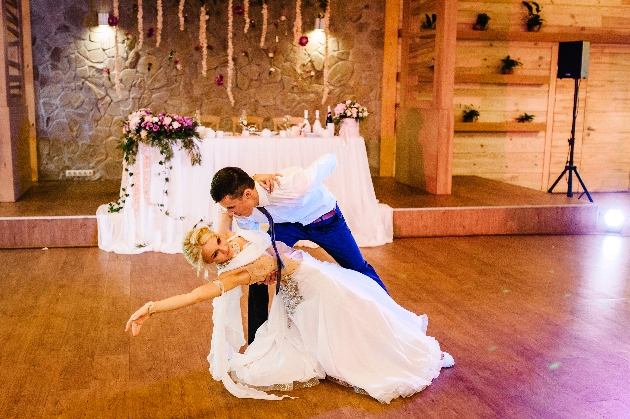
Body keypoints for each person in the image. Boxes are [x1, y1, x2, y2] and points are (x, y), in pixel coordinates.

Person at [126, 226, 454, 403]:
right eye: (215, 254)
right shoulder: (233, 274)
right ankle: (400, 357)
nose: (223, 250)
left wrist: (279, 255)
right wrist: (151, 308)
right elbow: (194, 295)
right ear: (211, 262)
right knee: (347, 329)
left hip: (313, 275)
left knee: (366, 312)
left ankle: (415, 349)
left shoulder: (235, 233)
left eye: (217, 242)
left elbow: (265, 241)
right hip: (302, 291)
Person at [210, 153, 387, 343]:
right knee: (257, 273)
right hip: (286, 226)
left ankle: (389, 316)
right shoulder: (243, 213)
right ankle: (257, 342)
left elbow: (331, 159)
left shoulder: (292, 185)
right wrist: (267, 264)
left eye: (231, 207)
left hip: (325, 221)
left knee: (357, 268)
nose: (229, 213)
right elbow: (256, 241)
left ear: (247, 194)